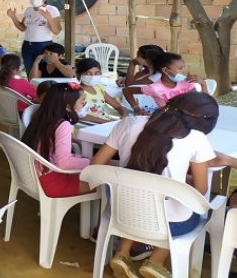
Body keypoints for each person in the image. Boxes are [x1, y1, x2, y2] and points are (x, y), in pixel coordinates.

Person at [89, 92, 218, 278]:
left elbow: (96, 165)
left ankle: (122, 252)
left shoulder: (128, 123)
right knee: (192, 209)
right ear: (205, 121)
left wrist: (125, 174)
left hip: (122, 214)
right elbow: (200, 190)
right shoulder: (197, 138)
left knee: (140, 199)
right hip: (172, 225)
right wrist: (178, 180)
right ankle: (156, 261)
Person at [21, 83, 90, 197]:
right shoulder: (63, 124)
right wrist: (92, 162)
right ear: (68, 107)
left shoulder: (42, 117)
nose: (84, 106)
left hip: (31, 176)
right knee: (104, 183)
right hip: (51, 183)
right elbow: (64, 162)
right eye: (82, 103)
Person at [123, 52, 206, 112]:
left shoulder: (186, 83)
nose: (184, 72)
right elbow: (126, 91)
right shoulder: (154, 88)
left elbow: (203, 104)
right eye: (180, 68)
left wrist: (203, 85)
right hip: (168, 122)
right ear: (165, 70)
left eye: (184, 68)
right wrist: (136, 108)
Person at [6, 0, 62, 72]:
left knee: (43, 70)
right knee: (30, 71)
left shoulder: (52, 9)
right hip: (27, 45)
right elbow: (22, 28)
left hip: (43, 46)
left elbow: (57, 31)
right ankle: (31, 85)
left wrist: (48, 17)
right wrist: (13, 17)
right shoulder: (29, 10)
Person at [76, 58, 126, 123]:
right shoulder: (77, 91)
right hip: (89, 125)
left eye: (96, 73)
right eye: (88, 73)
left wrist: (123, 114)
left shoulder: (99, 87)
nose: (93, 76)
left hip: (105, 122)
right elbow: (81, 115)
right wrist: (105, 122)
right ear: (78, 74)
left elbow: (117, 106)